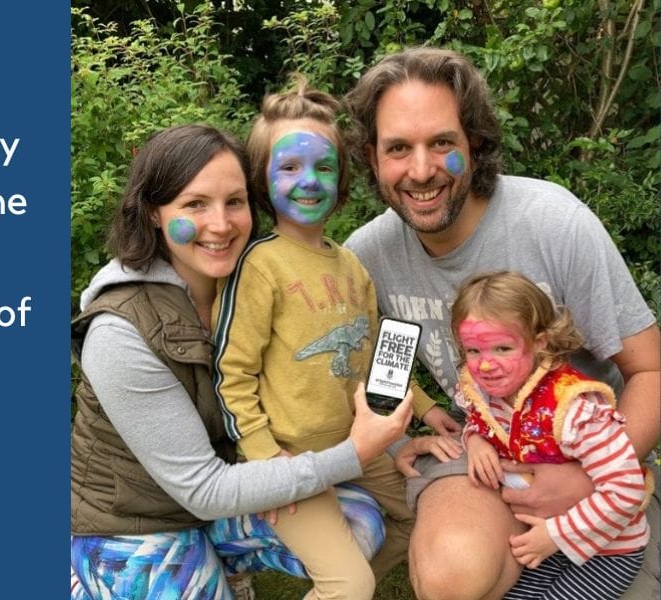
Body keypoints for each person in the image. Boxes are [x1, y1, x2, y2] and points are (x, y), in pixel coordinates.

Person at [342, 47, 661, 599]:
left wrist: (590, 479)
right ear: (373, 158)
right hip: (485, 452)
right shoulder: (370, 258)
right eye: (399, 148)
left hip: (601, 456)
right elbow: (379, 374)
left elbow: (651, 371)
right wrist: (397, 445)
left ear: (476, 144)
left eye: (442, 142)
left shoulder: (553, 224)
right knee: (451, 573)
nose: (421, 170)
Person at [69, 123, 414, 599]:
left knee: (358, 524)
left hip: (223, 497)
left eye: (234, 202)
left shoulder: (257, 281)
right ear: (153, 213)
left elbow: (331, 375)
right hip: (137, 521)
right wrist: (347, 456)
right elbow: (203, 488)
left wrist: (383, 443)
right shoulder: (119, 331)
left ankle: (221, 565)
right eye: (194, 204)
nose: (220, 224)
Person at [210, 77, 456, 598]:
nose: (310, 180)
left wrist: (427, 408)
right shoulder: (260, 265)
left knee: (420, 518)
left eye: (324, 166)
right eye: (290, 167)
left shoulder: (352, 265)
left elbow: (373, 365)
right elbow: (231, 373)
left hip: (357, 449)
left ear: (342, 178)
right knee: (351, 585)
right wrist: (266, 462)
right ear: (262, 178)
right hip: (292, 464)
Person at [450, 271, 650, 599]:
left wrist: (557, 534)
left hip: (609, 548)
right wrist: (474, 440)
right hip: (543, 537)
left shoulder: (573, 409)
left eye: (502, 348)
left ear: (539, 342)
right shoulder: (487, 393)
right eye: (473, 351)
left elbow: (626, 489)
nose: (486, 366)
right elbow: (481, 421)